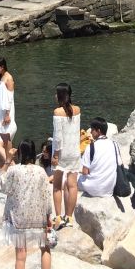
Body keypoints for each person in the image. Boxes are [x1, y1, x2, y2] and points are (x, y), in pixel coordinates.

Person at [0, 138, 58, 269]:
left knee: (20, 256)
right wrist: (48, 216)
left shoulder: (14, 171)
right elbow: (46, 196)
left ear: (19, 153)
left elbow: (1, 186)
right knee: (45, 248)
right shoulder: (40, 172)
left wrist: (7, 161)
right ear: (33, 153)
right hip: (37, 217)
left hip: (19, 219)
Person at [50, 82, 81, 228]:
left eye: (56, 93)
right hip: (74, 151)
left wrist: (55, 155)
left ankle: (58, 217)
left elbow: (57, 138)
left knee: (57, 186)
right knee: (72, 185)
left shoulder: (57, 112)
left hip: (61, 153)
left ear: (60, 95)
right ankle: (69, 217)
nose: (55, 96)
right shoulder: (77, 110)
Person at [78, 118, 119, 198]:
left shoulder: (91, 147)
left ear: (98, 131)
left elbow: (85, 172)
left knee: (69, 179)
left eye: (92, 130)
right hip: (109, 189)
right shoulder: (114, 145)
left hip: (94, 188)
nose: (90, 132)